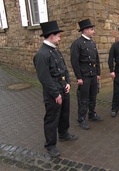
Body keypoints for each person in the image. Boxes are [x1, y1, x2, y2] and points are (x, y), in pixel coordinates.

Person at [33, 21, 77, 158]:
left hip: (64, 88)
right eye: (58, 35)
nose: (60, 38)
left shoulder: (55, 50)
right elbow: (44, 78)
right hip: (53, 92)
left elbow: (64, 69)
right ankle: (50, 145)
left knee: (65, 113)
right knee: (52, 118)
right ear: (51, 36)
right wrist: (55, 93)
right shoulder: (42, 54)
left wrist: (68, 83)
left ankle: (63, 133)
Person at [70, 19, 102, 130]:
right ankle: (81, 118)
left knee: (93, 96)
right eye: (92, 29)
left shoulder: (92, 43)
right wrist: (78, 77)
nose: (94, 32)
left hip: (93, 75)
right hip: (84, 76)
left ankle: (92, 114)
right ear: (85, 30)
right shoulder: (77, 43)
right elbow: (75, 62)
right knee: (84, 99)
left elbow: (96, 59)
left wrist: (98, 73)